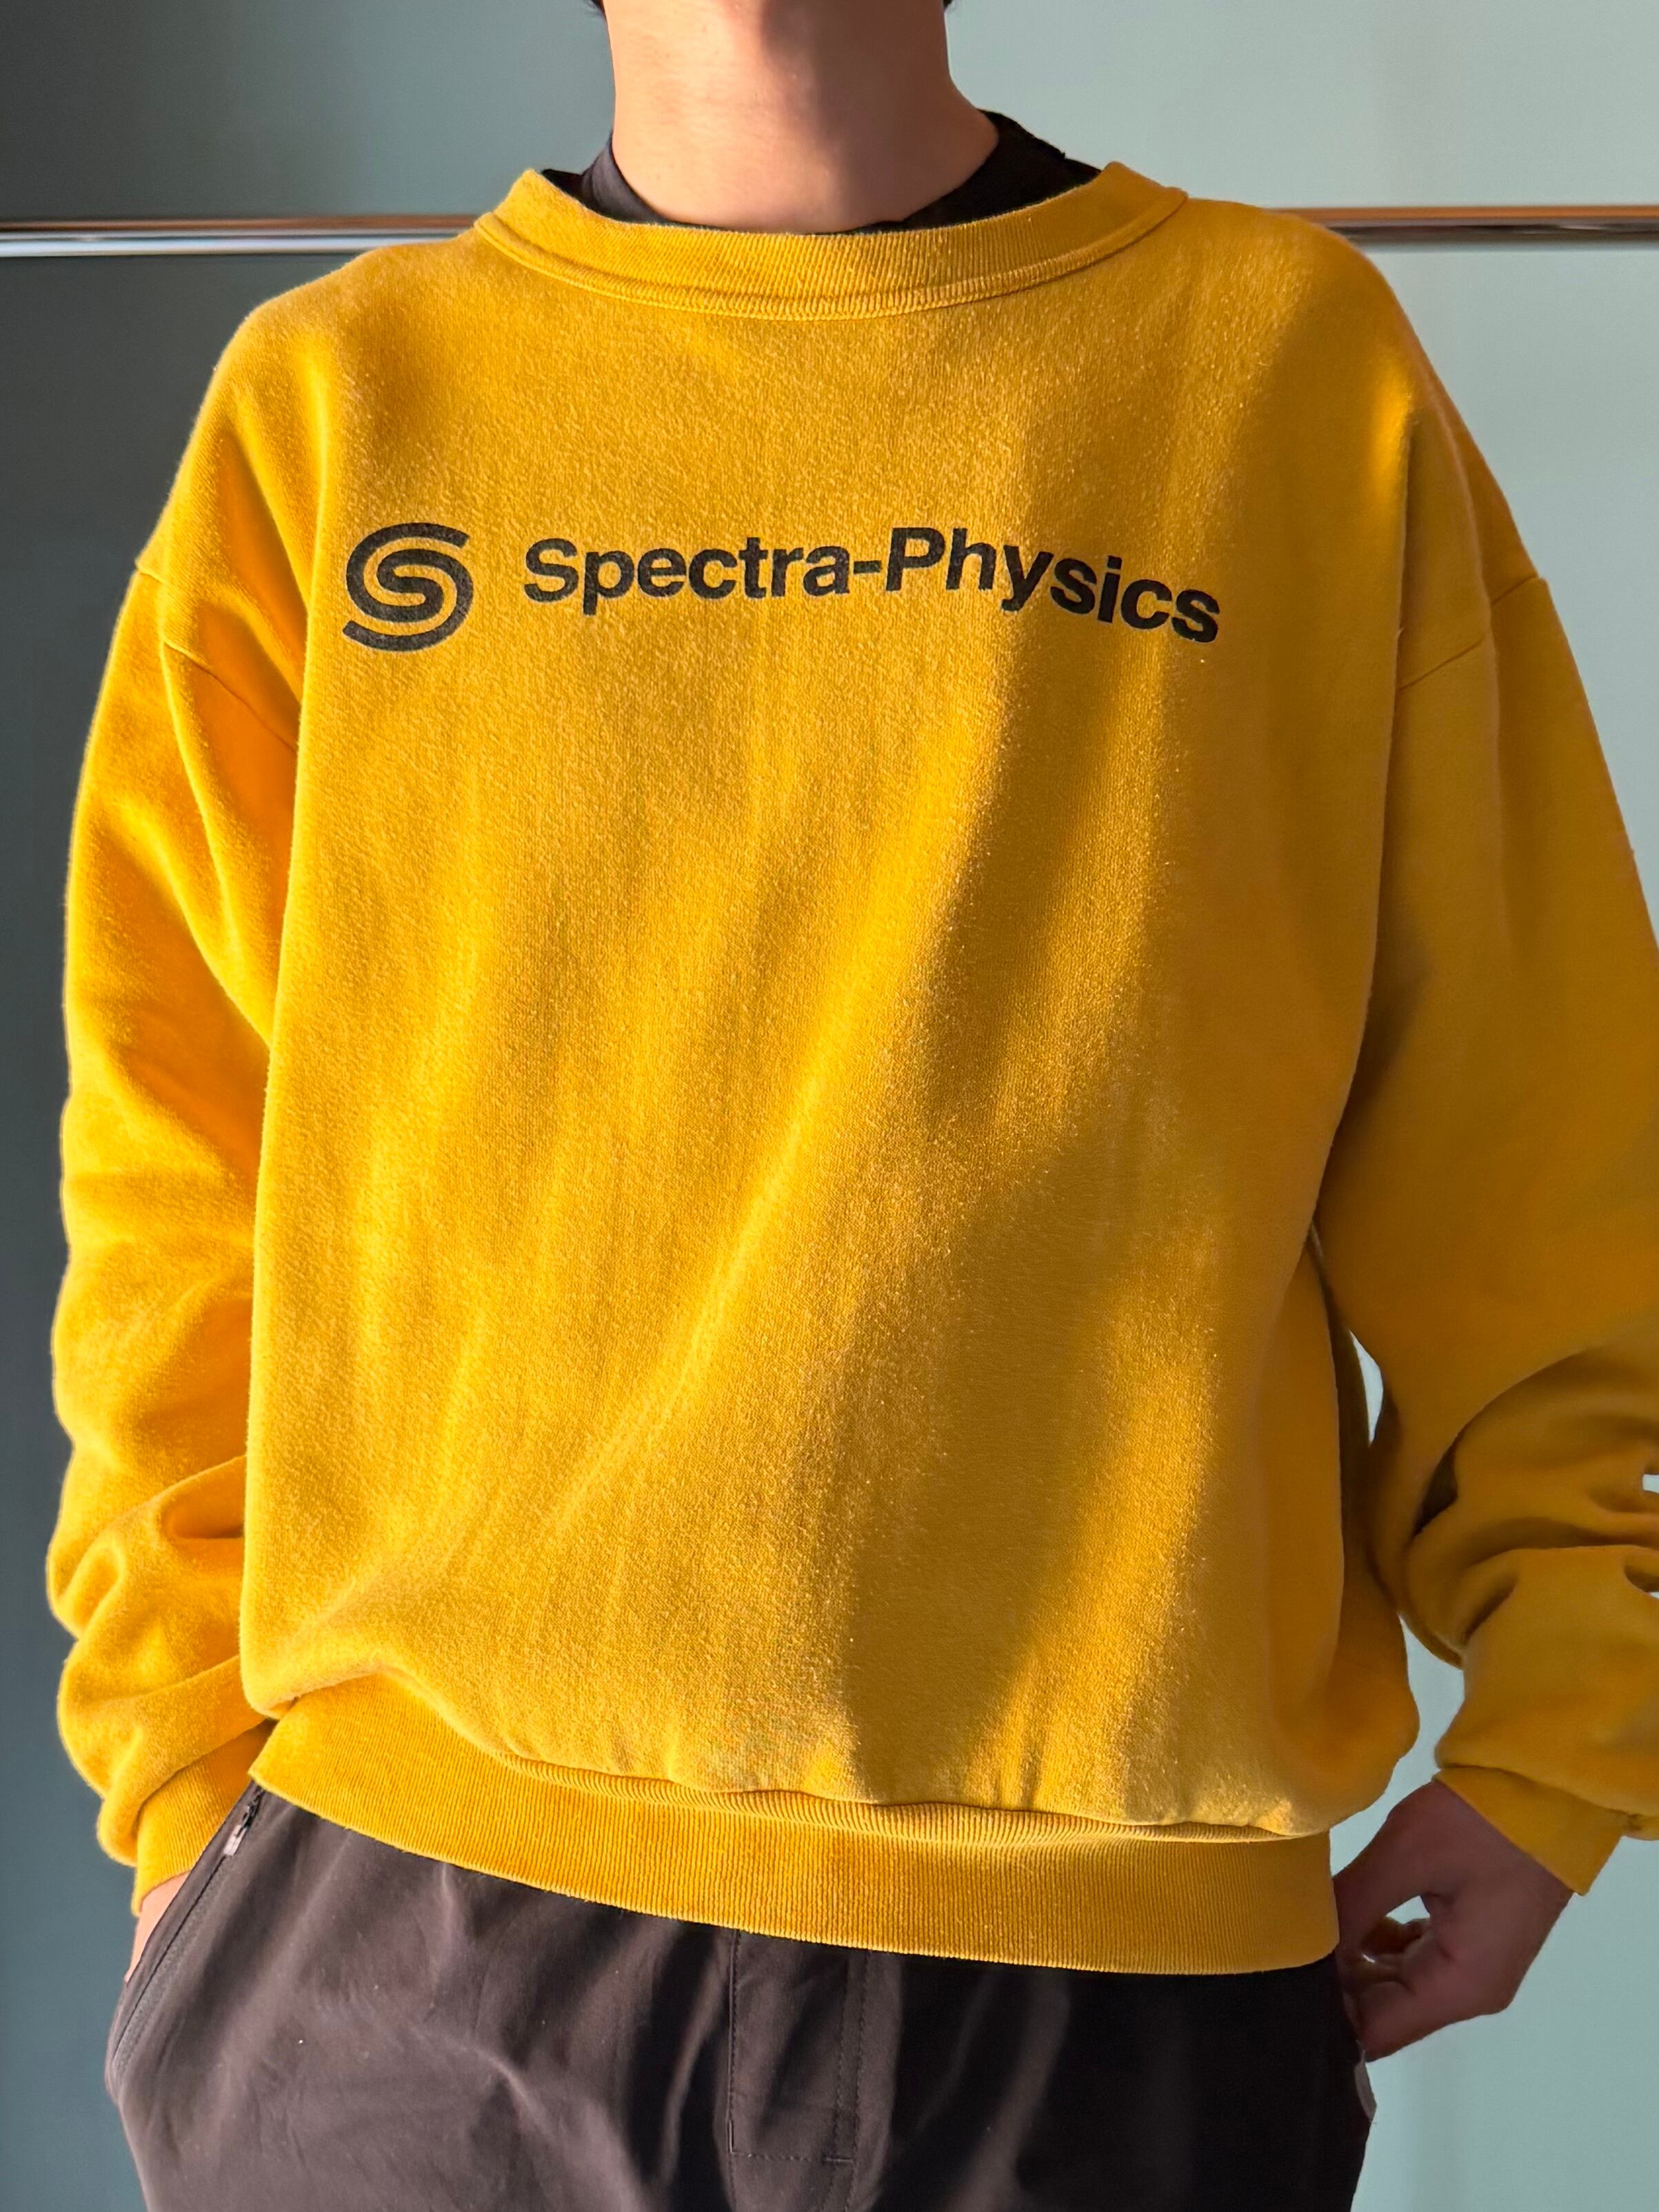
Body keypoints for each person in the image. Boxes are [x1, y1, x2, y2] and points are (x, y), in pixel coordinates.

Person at [47, 0, 1659, 2205]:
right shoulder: (337, 403)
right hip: (401, 1940)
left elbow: (1532, 1125)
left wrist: (1573, 1730)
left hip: (1097, 1985)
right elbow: (172, 1177)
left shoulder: (1285, 369)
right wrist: (174, 1783)